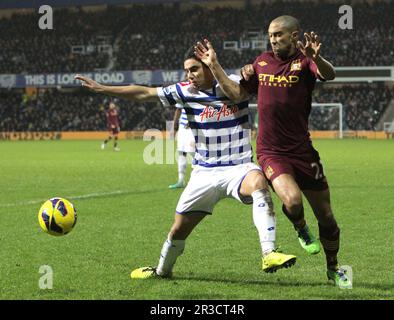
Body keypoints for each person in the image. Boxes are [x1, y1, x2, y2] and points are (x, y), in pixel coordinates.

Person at [75, 48, 297, 279]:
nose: (189, 75)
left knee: (259, 182)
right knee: (178, 229)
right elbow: (144, 93)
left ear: (209, 66)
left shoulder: (235, 83)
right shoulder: (184, 91)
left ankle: (269, 252)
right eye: (186, 70)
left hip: (238, 168)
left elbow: (244, 93)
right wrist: (102, 88)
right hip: (204, 173)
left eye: (194, 69)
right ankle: (161, 271)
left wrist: (226, 67)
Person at [194, 15, 351, 287]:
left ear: (294, 35)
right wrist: (214, 65)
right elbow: (237, 94)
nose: (274, 39)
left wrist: (317, 58)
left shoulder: (305, 61)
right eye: (271, 34)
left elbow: (329, 74)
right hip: (271, 151)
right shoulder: (261, 62)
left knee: (326, 216)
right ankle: (301, 227)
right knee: (291, 201)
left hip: (303, 152)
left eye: (279, 34)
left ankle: (333, 267)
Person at [168, 106, 195, 189]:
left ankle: (195, 181)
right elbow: (178, 109)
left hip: (193, 128)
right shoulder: (182, 94)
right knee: (181, 153)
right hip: (182, 127)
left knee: (194, 153)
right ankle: (181, 180)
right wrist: (174, 127)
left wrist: (192, 122)